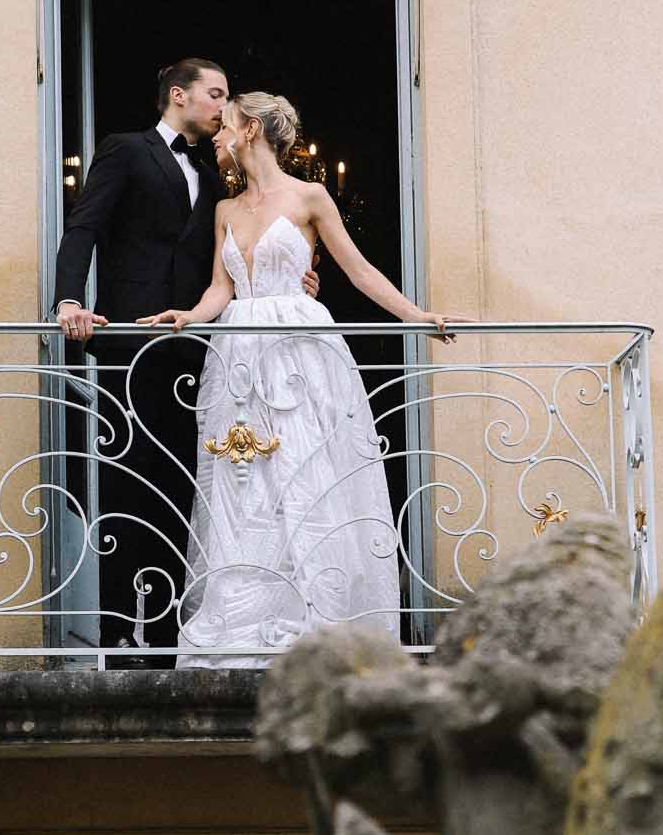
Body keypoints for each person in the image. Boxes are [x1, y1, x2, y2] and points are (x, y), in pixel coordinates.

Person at [140, 90, 455, 666]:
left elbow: (358, 269)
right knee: (243, 481)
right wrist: (189, 316)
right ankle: (243, 620)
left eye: (225, 125)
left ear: (250, 129)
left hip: (301, 346)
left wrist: (416, 316)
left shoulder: (310, 197)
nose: (217, 134)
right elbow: (219, 287)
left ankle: (320, 618)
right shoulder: (225, 210)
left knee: (306, 471)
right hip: (238, 349)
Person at [51, 59, 317, 656]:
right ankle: (120, 631)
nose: (224, 109)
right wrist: (70, 299)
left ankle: (175, 630)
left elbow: (235, 256)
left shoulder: (217, 173)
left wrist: (290, 280)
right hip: (130, 340)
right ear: (179, 94)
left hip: (203, 348)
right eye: (215, 95)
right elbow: (84, 227)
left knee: (192, 484)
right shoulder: (126, 150)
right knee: (128, 482)